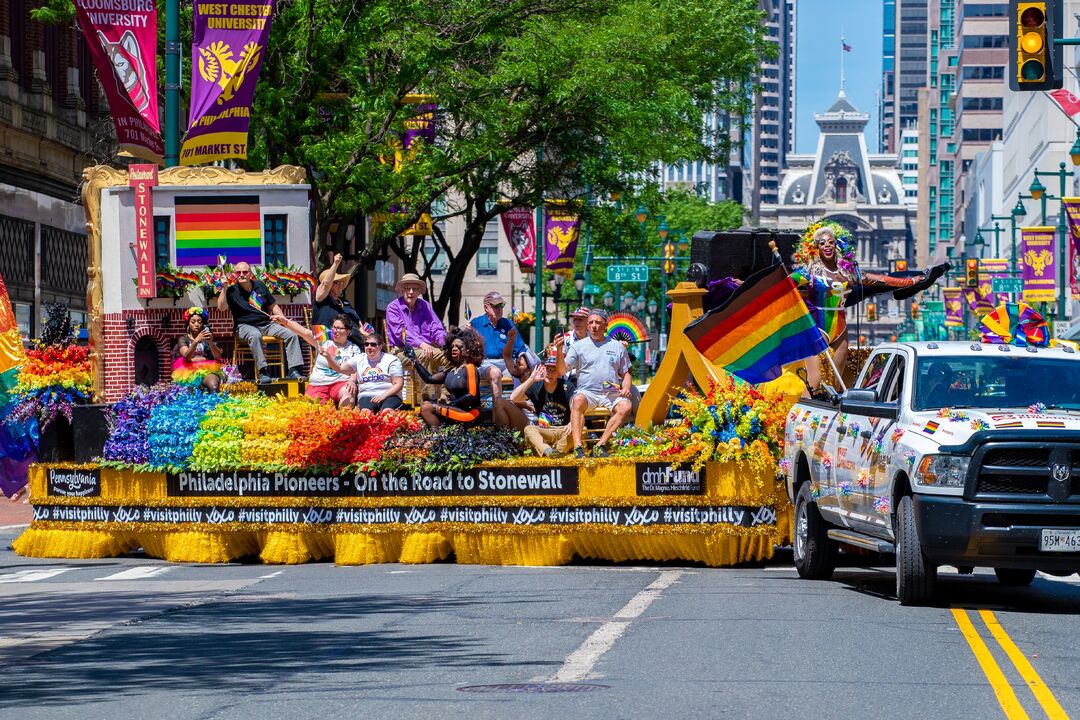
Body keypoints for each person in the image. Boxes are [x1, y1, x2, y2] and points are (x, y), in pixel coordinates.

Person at [217, 261, 306, 383]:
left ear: (250, 274)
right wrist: (224, 287)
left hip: (266, 324)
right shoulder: (231, 290)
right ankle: (263, 371)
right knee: (255, 335)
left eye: (245, 272)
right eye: (238, 272)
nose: (242, 274)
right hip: (244, 326)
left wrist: (284, 320)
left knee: (291, 334)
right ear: (235, 274)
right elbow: (221, 308)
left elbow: (273, 306)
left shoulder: (260, 286)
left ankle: (294, 370)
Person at [564, 309, 633, 458]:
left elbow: (626, 372)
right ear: (587, 326)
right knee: (577, 401)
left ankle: (600, 445)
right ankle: (578, 448)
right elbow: (564, 368)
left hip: (610, 391)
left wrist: (626, 387)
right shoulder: (578, 346)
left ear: (605, 326)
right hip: (587, 391)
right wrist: (557, 350)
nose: (594, 326)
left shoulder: (617, 346)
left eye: (598, 322)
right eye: (591, 323)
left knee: (626, 406)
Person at [276, 314, 362, 407]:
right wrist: (285, 322)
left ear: (348, 331)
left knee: (348, 396)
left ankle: (344, 419)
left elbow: (355, 369)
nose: (335, 331)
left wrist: (352, 381)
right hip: (318, 383)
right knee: (314, 410)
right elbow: (304, 332)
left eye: (339, 328)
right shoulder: (324, 339)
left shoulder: (353, 348)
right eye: (334, 327)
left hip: (340, 382)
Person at [385, 273, 446, 402]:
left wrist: (445, 343)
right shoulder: (393, 308)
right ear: (402, 290)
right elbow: (401, 334)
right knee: (422, 354)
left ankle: (446, 397)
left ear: (419, 292)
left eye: (414, 289)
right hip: (401, 350)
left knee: (449, 356)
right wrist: (421, 344)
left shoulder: (426, 306)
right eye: (407, 288)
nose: (410, 292)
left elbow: (436, 327)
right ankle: (428, 400)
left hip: (427, 348)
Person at [407, 328, 484, 428]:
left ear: (468, 350)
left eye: (459, 347)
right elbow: (429, 378)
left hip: (470, 414)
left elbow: (472, 395)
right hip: (455, 410)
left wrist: (451, 404)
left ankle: (438, 437)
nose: (454, 349)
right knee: (426, 405)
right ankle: (441, 436)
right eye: (452, 346)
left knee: (427, 408)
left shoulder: (470, 368)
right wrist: (414, 360)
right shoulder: (451, 371)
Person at [512, 354, 576, 457]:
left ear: (558, 373)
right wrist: (531, 379)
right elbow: (514, 398)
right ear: (543, 369)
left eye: (553, 370)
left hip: (564, 430)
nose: (550, 373)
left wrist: (572, 423)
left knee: (582, 429)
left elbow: (575, 407)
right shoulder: (536, 386)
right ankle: (550, 451)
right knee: (529, 429)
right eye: (548, 369)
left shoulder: (567, 386)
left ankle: (554, 451)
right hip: (546, 429)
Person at [471, 291, 528, 398]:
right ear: (486, 307)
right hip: (485, 363)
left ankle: (518, 405)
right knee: (495, 373)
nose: (500, 309)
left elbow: (520, 348)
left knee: (522, 372)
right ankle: (499, 408)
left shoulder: (508, 323)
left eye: (501, 305)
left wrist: (522, 359)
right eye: (496, 306)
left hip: (506, 362)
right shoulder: (476, 323)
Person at [312, 253, 364, 346]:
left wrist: (364, 333)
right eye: (336, 282)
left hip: (353, 341)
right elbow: (325, 285)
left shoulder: (345, 302)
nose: (340, 284)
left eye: (341, 282)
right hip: (329, 341)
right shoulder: (322, 299)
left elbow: (358, 322)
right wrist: (335, 264)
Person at [349, 333, 405, 412]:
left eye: (373, 344)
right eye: (366, 344)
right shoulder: (360, 359)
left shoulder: (391, 360)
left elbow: (399, 384)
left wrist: (383, 396)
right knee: (365, 413)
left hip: (389, 395)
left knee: (387, 412)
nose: (369, 347)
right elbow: (343, 369)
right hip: (366, 395)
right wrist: (328, 357)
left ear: (380, 346)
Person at [172, 307, 224, 391]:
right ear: (188, 324)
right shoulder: (183, 339)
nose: (196, 324)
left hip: (207, 369)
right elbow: (187, 357)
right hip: (188, 371)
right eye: (193, 322)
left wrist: (210, 342)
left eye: (199, 322)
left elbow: (218, 356)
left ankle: (214, 403)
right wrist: (196, 341)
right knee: (190, 392)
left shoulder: (207, 337)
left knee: (213, 384)